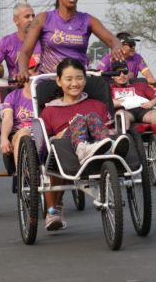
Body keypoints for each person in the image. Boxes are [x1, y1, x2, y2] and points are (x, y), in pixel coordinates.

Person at [40, 58, 130, 231]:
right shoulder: (49, 111)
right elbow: (43, 145)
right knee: (80, 120)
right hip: (64, 153)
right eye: (69, 79)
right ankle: (53, 211)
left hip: (98, 145)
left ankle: (106, 148)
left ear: (85, 79)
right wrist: (62, 134)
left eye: (79, 78)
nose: (75, 83)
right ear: (59, 81)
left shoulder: (97, 105)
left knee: (92, 117)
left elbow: (108, 128)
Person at [16, 0, 124, 81]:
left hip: (78, 82)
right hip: (50, 81)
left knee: (103, 90)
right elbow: (25, 52)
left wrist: (116, 47)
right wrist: (23, 69)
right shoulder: (42, 18)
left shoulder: (88, 20)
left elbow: (114, 41)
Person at [109, 61, 156, 137]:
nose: (122, 75)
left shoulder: (141, 85)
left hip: (144, 108)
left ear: (128, 74)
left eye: (125, 72)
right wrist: (117, 102)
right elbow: (105, 103)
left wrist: (152, 102)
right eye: (118, 72)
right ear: (112, 76)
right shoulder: (109, 89)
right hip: (125, 110)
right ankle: (125, 138)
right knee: (121, 115)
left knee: (154, 114)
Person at [0, 56, 39, 168]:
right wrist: (3, 138)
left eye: (39, 70)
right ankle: (24, 177)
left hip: (42, 136)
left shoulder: (48, 95)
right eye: (33, 70)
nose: (37, 74)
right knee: (24, 133)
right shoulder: (12, 97)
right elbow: (7, 119)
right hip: (19, 135)